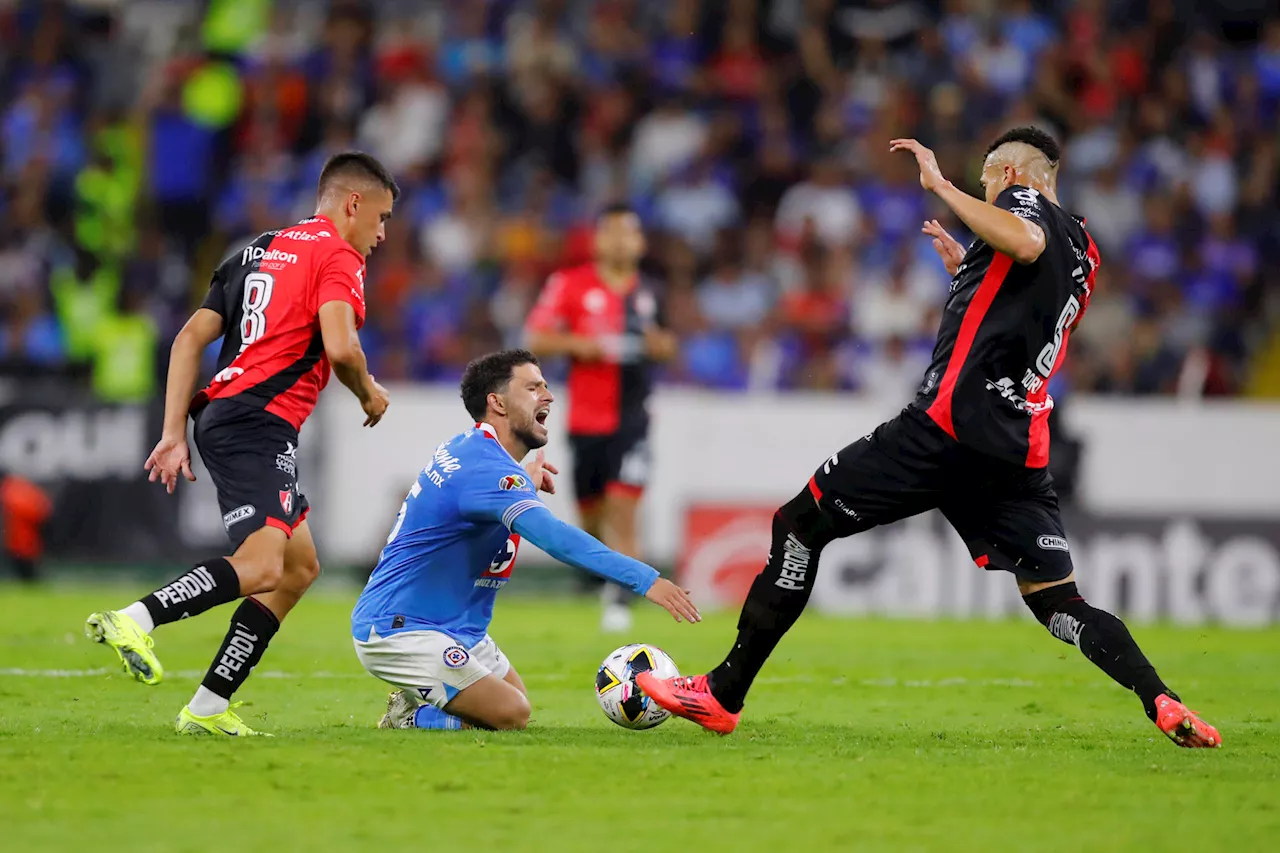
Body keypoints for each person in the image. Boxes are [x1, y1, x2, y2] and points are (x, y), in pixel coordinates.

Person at [638, 128, 1221, 749]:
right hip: (1016, 449)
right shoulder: (1085, 249)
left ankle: (722, 694)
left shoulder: (1023, 205)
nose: (985, 192)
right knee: (1056, 599)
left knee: (799, 524)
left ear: (1013, 174)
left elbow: (1023, 239)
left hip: (947, 429)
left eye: (988, 180)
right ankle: (1161, 700)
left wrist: (942, 188)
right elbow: (1017, 302)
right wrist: (967, 269)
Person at [84, 152, 397, 736]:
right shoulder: (338, 254)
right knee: (260, 567)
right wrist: (368, 394)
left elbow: (187, 340)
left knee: (299, 568)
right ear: (353, 204)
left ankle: (206, 707)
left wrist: (173, 432)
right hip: (259, 421)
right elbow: (342, 347)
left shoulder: (257, 249)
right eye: (380, 218)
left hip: (228, 415)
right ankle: (136, 618)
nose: (380, 235)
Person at [352, 349, 699, 731]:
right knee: (509, 715)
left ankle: (425, 691)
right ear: (497, 402)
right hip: (402, 628)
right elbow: (556, 539)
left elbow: (484, 497)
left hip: (452, 626)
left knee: (516, 702)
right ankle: (410, 717)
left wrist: (523, 482)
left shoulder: (476, 452)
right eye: (533, 387)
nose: (548, 396)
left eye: (546, 387)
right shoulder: (487, 472)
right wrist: (646, 579)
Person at [525, 204, 678, 633]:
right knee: (591, 513)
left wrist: (657, 344)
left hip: (634, 419)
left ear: (641, 242)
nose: (618, 241)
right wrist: (579, 343)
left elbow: (668, 346)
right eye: (610, 232)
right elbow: (536, 337)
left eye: (627, 233)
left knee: (623, 505)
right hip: (586, 422)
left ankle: (621, 601)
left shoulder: (651, 292)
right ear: (596, 240)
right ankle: (599, 576)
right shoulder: (569, 284)